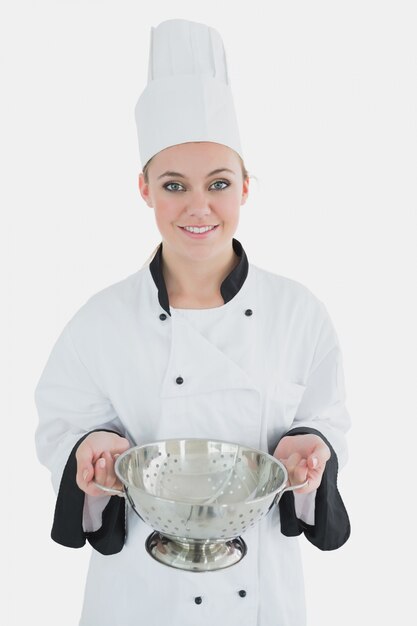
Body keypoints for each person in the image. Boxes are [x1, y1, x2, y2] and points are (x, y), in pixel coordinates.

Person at [35, 18, 350, 626]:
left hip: (261, 590)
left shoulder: (298, 313)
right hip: (137, 595)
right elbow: (62, 429)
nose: (198, 207)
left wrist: (312, 451)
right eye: (174, 185)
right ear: (144, 189)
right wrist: (90, 454)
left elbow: (327, 422)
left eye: (219, 184)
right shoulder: (99, 322)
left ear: (246, 189)